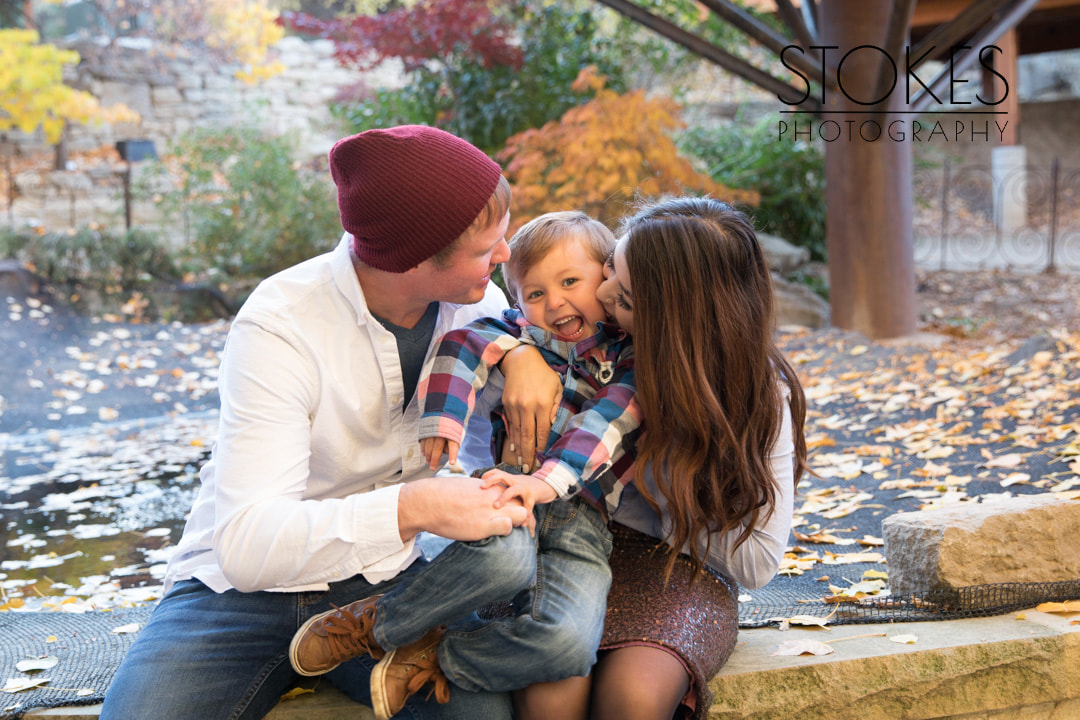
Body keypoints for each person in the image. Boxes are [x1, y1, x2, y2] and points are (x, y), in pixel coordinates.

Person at [100, 125, 552, 720]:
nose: (504, 257)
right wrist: (415, 507)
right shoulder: (280, 324)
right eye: (485, 248)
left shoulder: (480, 305)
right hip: (236, 597)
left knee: (482, 715)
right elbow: (246, 545)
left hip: (394, 588)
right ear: (413, 257)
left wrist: (523, 355)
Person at [288, 210, 641, 720]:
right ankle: (377, 622)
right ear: (517, 300)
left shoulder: (629, 358)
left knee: (568, 647)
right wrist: (443, 421)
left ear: (606, 280)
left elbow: (606, 424)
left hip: (578, 516)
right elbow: (462, 345)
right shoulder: (516, 331)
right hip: (499, 488)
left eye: (570, 282)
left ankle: (433, 656)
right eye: (535, 294)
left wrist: (543, 484)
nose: (555, 302)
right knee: (495, 558)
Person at [511, 196, 808, 720]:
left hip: (678, 568)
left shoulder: (759, 395)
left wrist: (658, 459)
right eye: (608, 270)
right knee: (550, 694)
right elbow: (496, 321)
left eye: (621, 296)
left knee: (633, 698)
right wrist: (517, 357)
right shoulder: (582, 348)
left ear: (672, 321)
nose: (600, 294)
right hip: (562, 551)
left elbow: (758, 562)